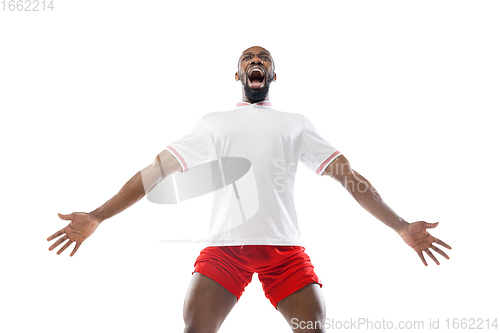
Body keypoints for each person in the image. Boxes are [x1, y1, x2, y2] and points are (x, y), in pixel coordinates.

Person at [47, 46, 452, 333]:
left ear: (272, 75)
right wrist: (99, 214)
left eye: (264, 59)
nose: (256, 62)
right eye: (248, 59)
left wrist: (400, 226)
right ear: (239, 75)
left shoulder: (295, 122)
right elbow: (155, 171)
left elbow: (351, 178)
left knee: (315, 328)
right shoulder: (213, 122)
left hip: (285, 252)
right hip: (225, 250)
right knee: (195, 329)